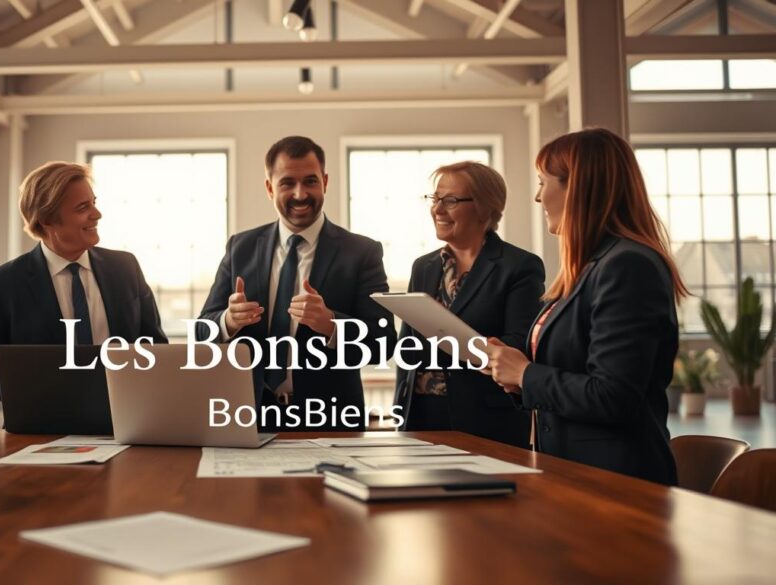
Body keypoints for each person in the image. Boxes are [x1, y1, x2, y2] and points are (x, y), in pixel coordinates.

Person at [483, 128, 686, 485]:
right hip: (575, 472)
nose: (537, 196)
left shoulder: (627, 266)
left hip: (618, 484)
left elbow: (614, 396)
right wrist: (517, 374)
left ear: (577, 188)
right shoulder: (593, 266)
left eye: (544, 182)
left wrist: (526, 374)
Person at [197, 136, 396, 431]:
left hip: (331, 421)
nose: (300, 194)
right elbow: (201, 333)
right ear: (269, 188)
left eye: (311, 181)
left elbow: (384, 343)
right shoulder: (241, 247)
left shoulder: (362, 252)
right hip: (249, 418)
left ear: (325, 182)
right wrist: (227, 321)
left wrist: (331, 324)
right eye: (288, 183)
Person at [0, 161, 167, 400]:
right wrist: (41, 393)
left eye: (94, 203)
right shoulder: (5, 283)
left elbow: (156, 348)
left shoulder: (125, 268)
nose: (97, 214)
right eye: (82, 208)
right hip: (41, 429)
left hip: (126, 421)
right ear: (46, 219)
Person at [393, 161, 544, 447]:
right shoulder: (423, 267)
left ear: (486, 207)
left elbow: (520, 344)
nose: (437, 209)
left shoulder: (519, 266)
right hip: (421, 417)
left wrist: (459, 341)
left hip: (486, 420)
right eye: (435, 198)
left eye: (450, 200)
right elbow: (407, 349)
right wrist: (401, 410)